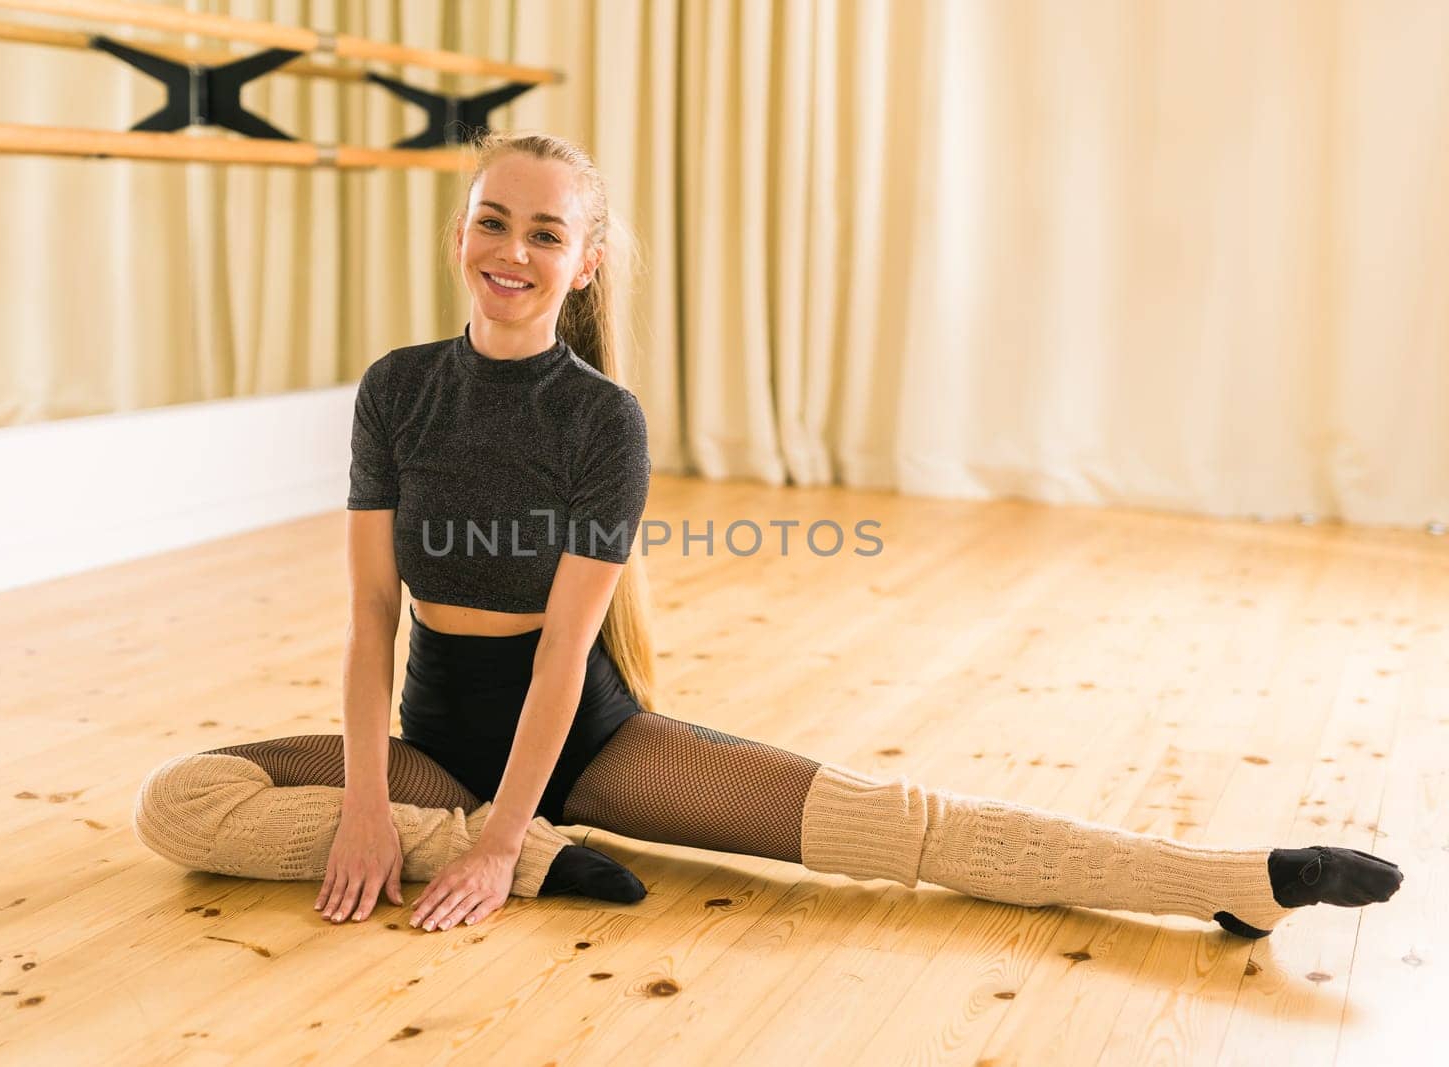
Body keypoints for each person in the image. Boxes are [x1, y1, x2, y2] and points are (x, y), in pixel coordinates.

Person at [133, 131, 1402, 938]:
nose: (509, 250)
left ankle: (1225, 876)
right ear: (461, 229)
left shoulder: (601, 421)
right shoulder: (395, 386)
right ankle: (517, 858)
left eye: (543, 231)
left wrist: (507, 829)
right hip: (435, 751)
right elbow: (367, 618)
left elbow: (568, 653)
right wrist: (373, 807)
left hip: (591, 739)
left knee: (896, 829)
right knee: (182, 804)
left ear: (581, 264)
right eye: (491, 219)